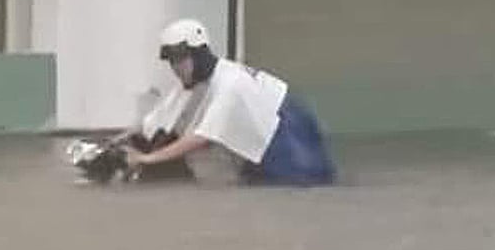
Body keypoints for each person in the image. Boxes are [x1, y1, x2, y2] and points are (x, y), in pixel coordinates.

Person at [123, 19, 337, 186]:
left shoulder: (230, 83)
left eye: (180, 59)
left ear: (199, 55)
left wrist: (147, 159)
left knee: (298, 182)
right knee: (258, 180)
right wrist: (115, 142)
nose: (176, 67)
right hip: (276, 126)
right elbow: (161, 115)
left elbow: (200, 138)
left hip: (288, 131)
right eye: (171, 61)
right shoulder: (201, 78)